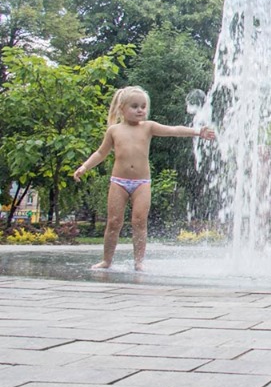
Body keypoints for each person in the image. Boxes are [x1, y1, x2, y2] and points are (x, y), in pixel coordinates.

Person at [73, 86, 216, 271]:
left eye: (143, 106)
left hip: (142, 183)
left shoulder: (148, 127)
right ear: (121, 108)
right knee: (114, 222)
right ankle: (107, 260)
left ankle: (139, 261)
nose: (140, 110)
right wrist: (84, 167)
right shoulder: (114, 131)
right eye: (135, 106)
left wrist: (197, 132)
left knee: (140, 221)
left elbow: (173, 130)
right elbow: (101, 153)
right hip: (119, 181)